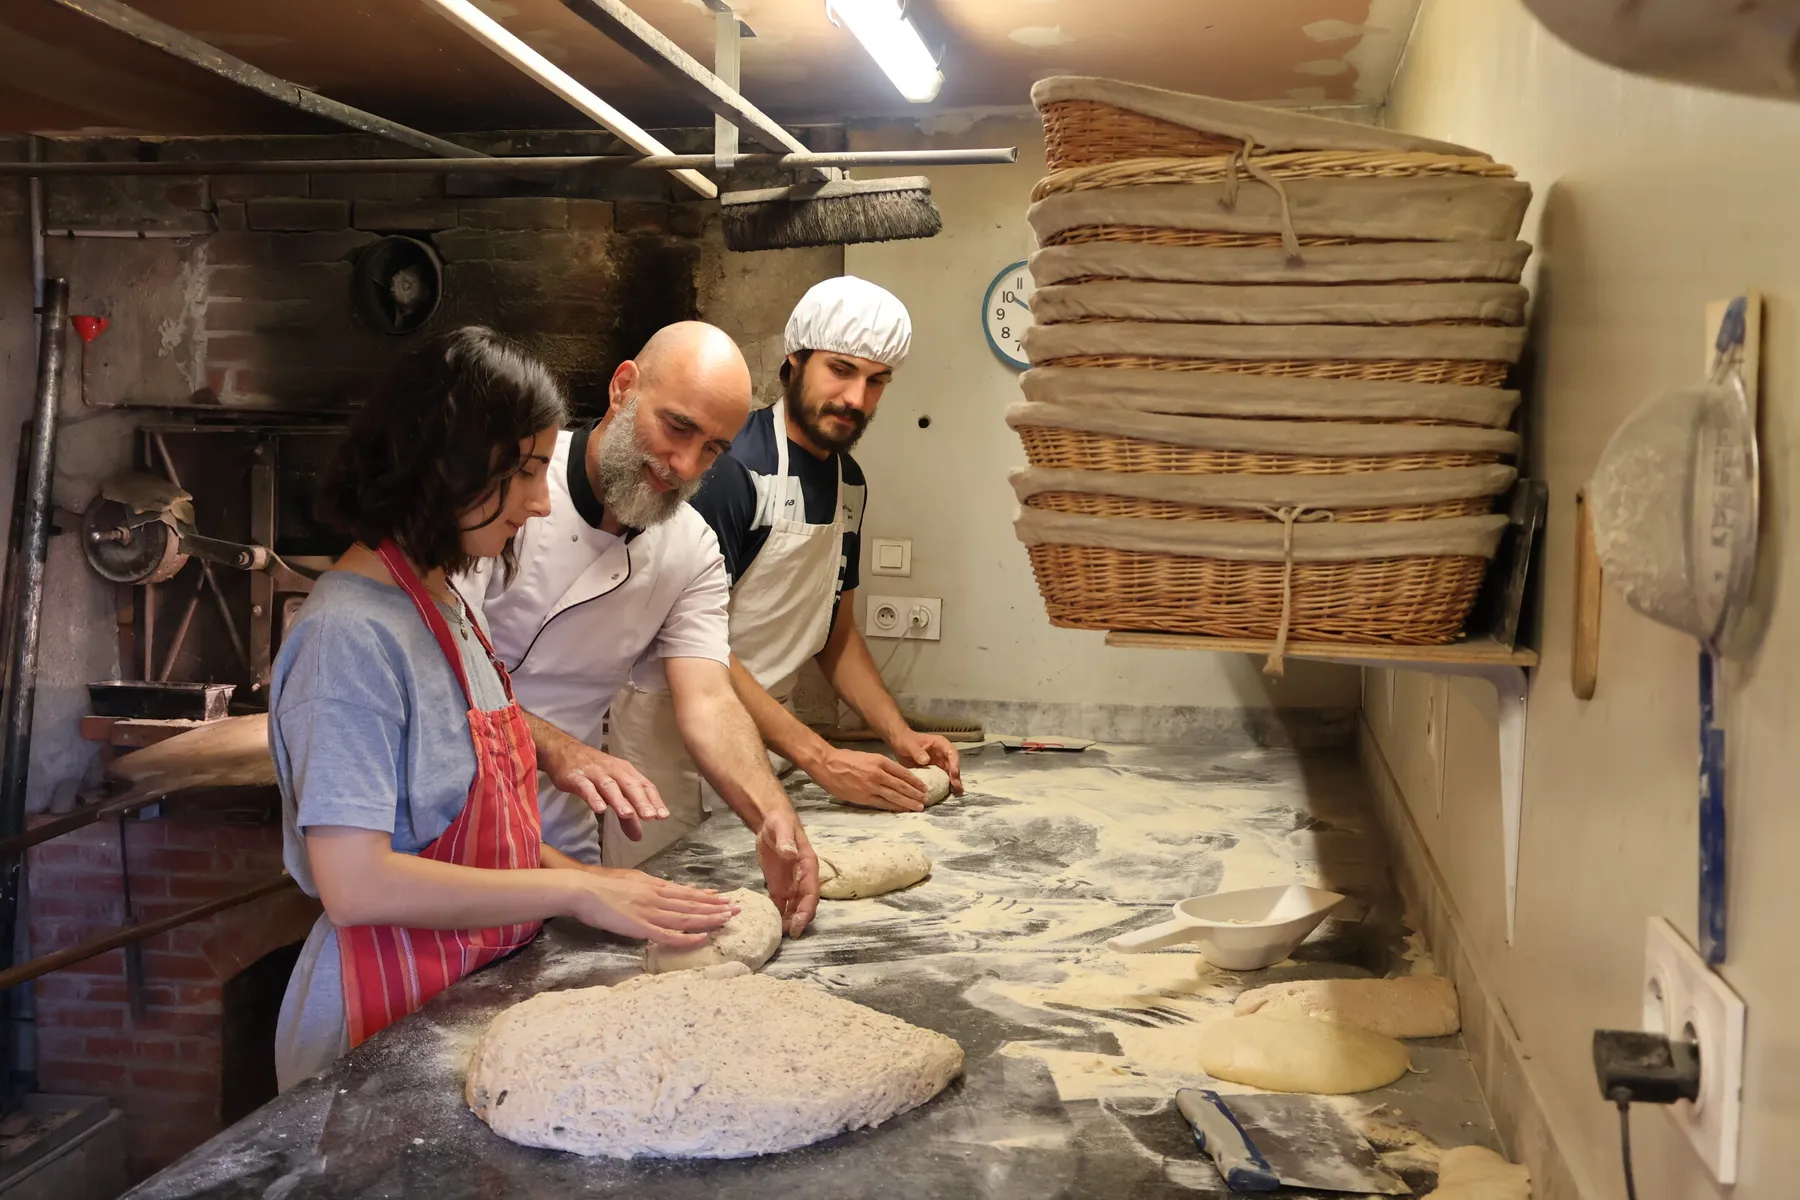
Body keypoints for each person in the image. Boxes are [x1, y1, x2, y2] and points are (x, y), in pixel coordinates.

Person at [271, 327, 736, 1091]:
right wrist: (573, 888)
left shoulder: (442, 604)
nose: (542, 499)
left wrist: (604, 887)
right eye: (523, 470)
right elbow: (356, 885)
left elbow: (470, 845)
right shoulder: (349, 635)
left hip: (456, 996)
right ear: (444, 460)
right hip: (374, 1034)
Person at [458, 321, 820, 935]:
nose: (684, 465)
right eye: (677, 427)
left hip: (560, 839)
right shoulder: (508, 491)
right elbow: (446, 677)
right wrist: (562, 747)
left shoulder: (690, 548)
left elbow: (708, 698)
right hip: (448, 828)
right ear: (623, 387)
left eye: (712, 449)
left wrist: (772, 814)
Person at [690, 276, 962, 813]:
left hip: (771, 741)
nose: (856, 399)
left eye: (877, 380)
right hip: (685, 746)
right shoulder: (730, 472)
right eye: (840, 370)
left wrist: (898, 733)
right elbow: (696, 646)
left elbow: (835, 637)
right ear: (794, 360)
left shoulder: (849, 484)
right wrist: (821, 757)